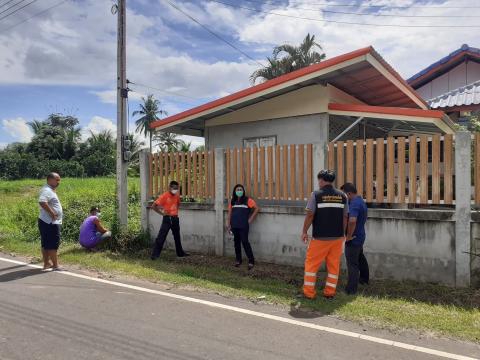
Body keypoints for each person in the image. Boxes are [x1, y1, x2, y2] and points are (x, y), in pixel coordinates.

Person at [301, 170, 348, 299]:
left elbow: (310, 214)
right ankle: (329, 293)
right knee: (333, 266)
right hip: (337, 238)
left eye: (319, 180)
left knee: (311, 265)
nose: (319, 182)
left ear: (321, 180)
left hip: (320, 238)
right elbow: (345, 217)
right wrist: (342, 233)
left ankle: (309, 293)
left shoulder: (316, 195)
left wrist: (304, 231)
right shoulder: (343, 196)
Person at [341, 182, 369, 295]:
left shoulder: (354, 204)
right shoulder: (360, 201)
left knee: (352, 264)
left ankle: (351, 290)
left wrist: (348, 236)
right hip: (360, 235)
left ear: (348, 193)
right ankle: (364, 279)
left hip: (354, 237)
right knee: (360, 258)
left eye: (343, 195)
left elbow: (352, 220)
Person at [151, 181, 189, 260]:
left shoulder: (177, 196)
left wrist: (174, 213)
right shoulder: (164, 196)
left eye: (177, 188)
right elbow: (154, 206)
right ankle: (154, 256)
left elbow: (178, 204)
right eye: (174, 188)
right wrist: (162, 213)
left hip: (175, 218)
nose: (175, 190)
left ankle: (180, 253)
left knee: (177, 237)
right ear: (170, 187)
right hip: (167, 219)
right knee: (161, 237)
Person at [227, 184, 260, 270]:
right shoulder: (232, 201)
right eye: (237, 189)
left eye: (240, 189)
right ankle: (238, 260)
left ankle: (251, 261)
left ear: (243, 191)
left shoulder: (247, 200)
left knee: (245, 242)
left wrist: (250, 219)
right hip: (234, 225)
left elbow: (257, 209)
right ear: (235, 191)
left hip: (243, 225)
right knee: (236, 243)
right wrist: (228, 224)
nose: (239, 191)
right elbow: (230, 213)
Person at [38, 172, 63, 271]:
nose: (58, 182)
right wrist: (52, 213)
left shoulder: (49, 190)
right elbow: (42, 201)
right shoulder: (47, 190)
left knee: (46, 243)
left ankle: (46, 264)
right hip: (50, 222)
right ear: (49, 180)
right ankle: (55, 265)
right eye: (57, 179)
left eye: (59, 180)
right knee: (52, 243)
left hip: (46, 221)